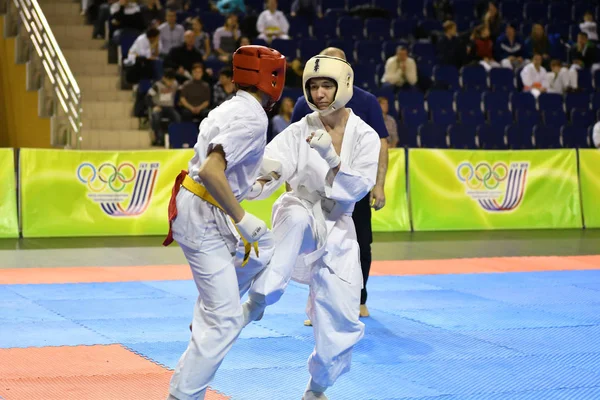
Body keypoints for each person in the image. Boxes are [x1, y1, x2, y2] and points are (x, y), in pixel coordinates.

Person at [242, 54, 380, 400]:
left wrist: (332, 159)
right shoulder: (299, 129)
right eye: (313, 86)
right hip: (299, 207)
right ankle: (256, 300)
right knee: (298, 216)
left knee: (344, 323)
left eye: (326, 86)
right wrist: (251, 184)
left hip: (339, 225)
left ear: (344, 87)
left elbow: (358, 188)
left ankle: (317, 388)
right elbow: (273, 166)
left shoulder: (365, 135)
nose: (318, 94)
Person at [162, 45, 286, 400]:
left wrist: (258, 182)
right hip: (205, 214)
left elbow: (223, 170)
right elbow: (212, 170)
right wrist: (242, 217)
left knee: (263, 250)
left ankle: (214, 309)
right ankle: (183, 395)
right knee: (225, 320)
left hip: (200, 207)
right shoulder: (254, 118)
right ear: (273, 80)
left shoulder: (230, 107)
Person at [291, 47, 389, 320]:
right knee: (315, 246)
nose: (321, 90)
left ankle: (359, 299)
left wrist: (378, 185)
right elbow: (291, 147)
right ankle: (317, 302)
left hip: (352, 188)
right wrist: (290, 189)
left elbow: (381, 143)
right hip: (314, 190)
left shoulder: (367, 101)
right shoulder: (305, 103)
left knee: (361, 243)